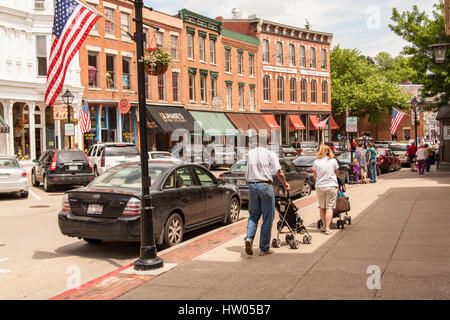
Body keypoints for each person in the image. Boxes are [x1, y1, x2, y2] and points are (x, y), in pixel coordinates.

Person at [244, 141, 290, 256]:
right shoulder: (270, 154)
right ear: (268, 143)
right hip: (264, 185)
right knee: (268, 217)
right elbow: (279, 172)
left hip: (252, 185)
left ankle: (249, 238)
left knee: (253, 216)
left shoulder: (250, 153)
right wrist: (285, 184)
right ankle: (264, 248)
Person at [313, 145, 339, 235]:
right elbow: (337, 173)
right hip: (331, 185)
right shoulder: (333, 161)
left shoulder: (316, 162)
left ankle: (324, 226)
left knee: (322, 207)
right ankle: (328, 228)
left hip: (320, 186)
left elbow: (315, 175)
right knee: (329, 207)